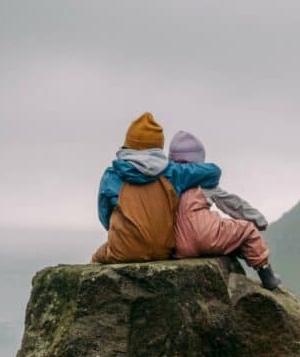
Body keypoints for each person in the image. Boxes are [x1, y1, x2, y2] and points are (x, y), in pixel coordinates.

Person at [92, 113, 221, 264]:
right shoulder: (173, 173)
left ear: (128, 145)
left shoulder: (112, 176)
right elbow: (214, 172)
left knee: (96, 259)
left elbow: (104, 216)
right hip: (164, 250)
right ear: (158, 147)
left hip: (124, 250)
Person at [169, 130, 282, 290]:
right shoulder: (205, 182)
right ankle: (267, 276)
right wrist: (258, 220)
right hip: (206, 235)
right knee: (246, 231)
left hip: (178, 243)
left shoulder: (167, 183)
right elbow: (233, 204)